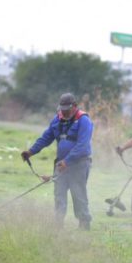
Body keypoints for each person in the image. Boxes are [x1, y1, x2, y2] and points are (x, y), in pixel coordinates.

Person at [21, 93, 94, 230]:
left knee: (78, 195)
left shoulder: (84, 121)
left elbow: (82, 145)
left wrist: (67, 161)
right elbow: (46, 138)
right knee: (59, 195)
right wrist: (31, 152)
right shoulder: (57, 120)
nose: (64, 112)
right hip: (61, 164)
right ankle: (58, 226)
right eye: (62, 109)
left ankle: (84, 224)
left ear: (75, 106)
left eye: (67, 109)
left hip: (79, 164)